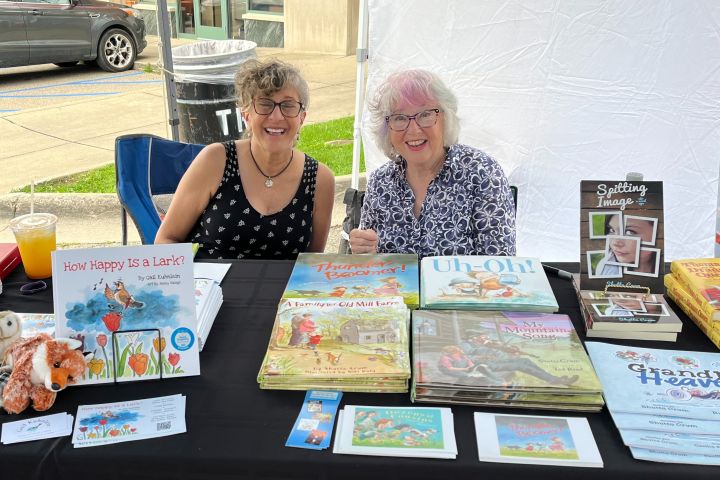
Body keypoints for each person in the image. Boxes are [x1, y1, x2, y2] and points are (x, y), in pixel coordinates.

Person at [155, 59, 335, 259]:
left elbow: (311, 264)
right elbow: (166, 239)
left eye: (288, 105)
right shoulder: (215, 161)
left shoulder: (320, 179)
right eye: (264, 104)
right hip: (210, 288)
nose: (276, 116)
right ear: (246, 115)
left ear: (302, 117)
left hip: (280, 291)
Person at [349, 69, 516, 257]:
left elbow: (500, 266)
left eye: (425, 115)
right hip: (395, 287)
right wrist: (364, 250)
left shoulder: (482, 174)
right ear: (387, 128)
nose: (413, 130)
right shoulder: (380, 182)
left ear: (445, 118)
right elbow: (370, 268)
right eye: (400, 118)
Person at [460, 334, 578, 386]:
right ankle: (554, 380)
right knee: (522, 365)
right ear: (471, 337)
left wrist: (497, 348)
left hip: (494, 361)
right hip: (485, 365)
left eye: (481, 337)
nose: (481, 338)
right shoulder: (465, 344)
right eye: (478, 337)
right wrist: (487, 348)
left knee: (525, 360)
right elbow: (469, 355)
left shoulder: (483, 344)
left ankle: (553, 378)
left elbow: (496, 351)